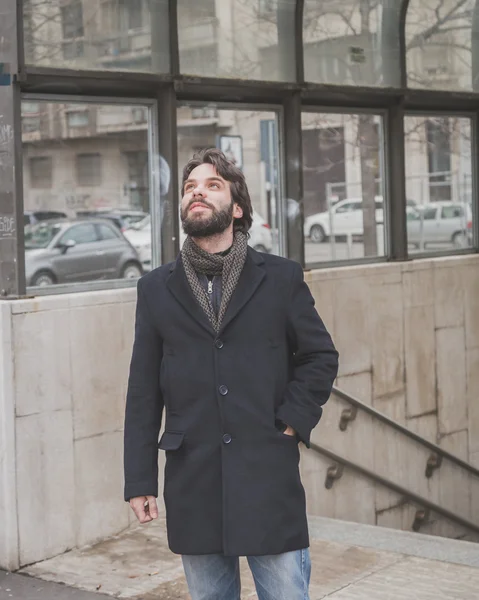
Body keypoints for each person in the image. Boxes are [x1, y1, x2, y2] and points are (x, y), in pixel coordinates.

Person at [123, 148, 339, 600]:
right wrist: (140, 478)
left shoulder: (280, 278)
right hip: (192, 479)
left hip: (266, 472)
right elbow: (143, 388)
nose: (197, 192)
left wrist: (292, 421)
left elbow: (319, 356)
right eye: (189, 188)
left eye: (212, 185)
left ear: (236, 208)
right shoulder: (155, 289)